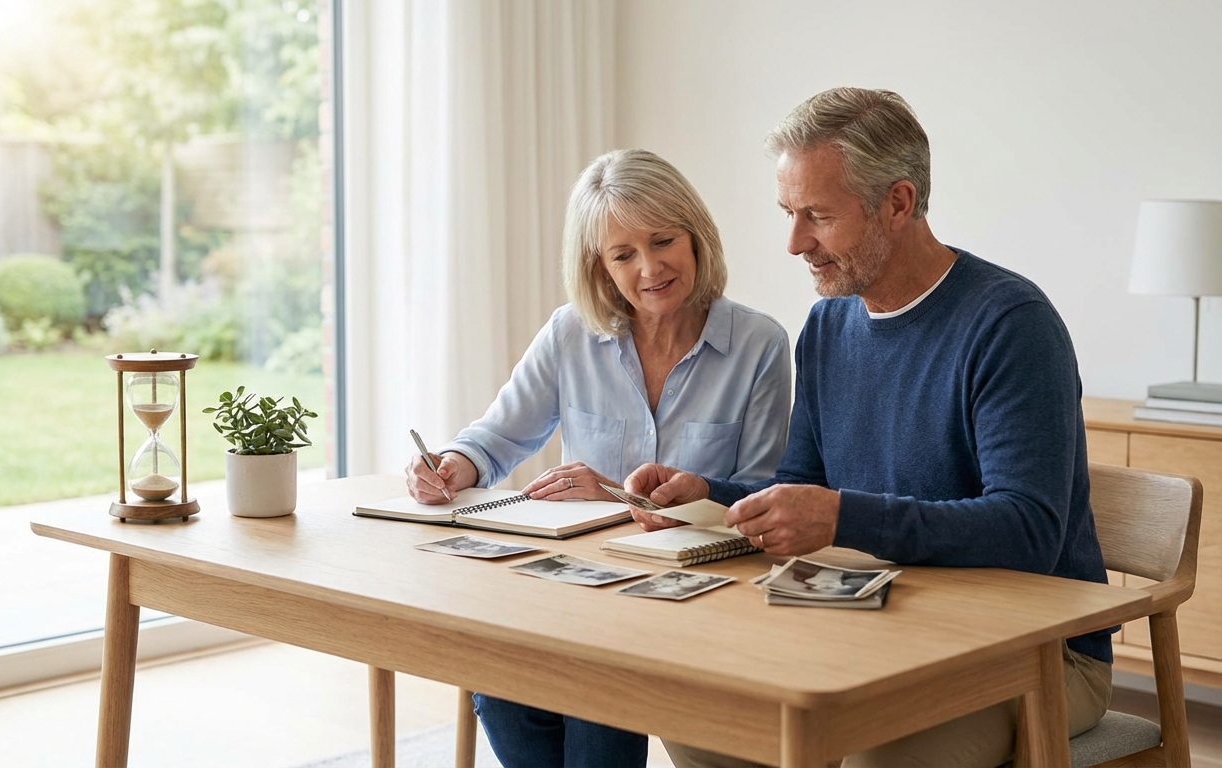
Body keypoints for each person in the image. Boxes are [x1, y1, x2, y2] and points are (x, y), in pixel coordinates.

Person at [626, 87, 1114, 768]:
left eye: (818, 217)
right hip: (879, 629)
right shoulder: (828, 326)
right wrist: (707, 494)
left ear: (899, 202)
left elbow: (1028, 533)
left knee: (873, 755)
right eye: (789, 214)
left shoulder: (1010, 324)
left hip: (1033, 655)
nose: (795, 243)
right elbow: (804, 487)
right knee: (704, 721)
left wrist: (843, 517)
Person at [406, 148, 794, 768]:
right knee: (498, 678)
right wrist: (454, 464)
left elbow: (766, 491)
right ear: (600, 266)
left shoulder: (759, 344)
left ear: (695, 238)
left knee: (594, 689)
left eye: (663, 240)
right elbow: (498, 436)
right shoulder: (569, 334)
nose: (650, 267)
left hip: (701, 593)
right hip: (582, 585)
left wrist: (645, 491)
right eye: (623, 254)